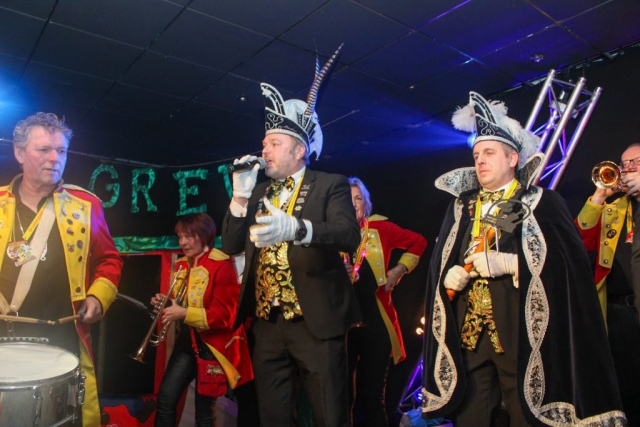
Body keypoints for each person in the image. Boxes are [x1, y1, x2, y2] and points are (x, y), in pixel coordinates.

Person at [421, 92, 626, 426]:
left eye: (489, 153)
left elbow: (569, 266)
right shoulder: (460, 207)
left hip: (521, 336)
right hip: (469, 337)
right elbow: (441, 262)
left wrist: (513, 264)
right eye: (476, 155)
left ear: (513, 158)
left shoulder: (542, 202)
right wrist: (447, 276)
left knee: (527, 418)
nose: (480, 161)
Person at [221, 45, 362, 427]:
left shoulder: (329, 184)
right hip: (268, 324)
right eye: (264, 143)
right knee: (273, 417)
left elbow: (348, 235)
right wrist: (239, 198)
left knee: (330, 415)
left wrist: (299, 229)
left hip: (316, 321)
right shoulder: (257, 192)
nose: (264, 149)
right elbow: (230, 245)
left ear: (299, 150)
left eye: (274, 144)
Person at [0, 112, 122, 426]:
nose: (55, 158)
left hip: (62, 336)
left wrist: (97, 297)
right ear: (19, 153)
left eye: (61, 150)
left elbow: (109, 260)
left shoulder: (86, 205)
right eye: (44, 149)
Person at [153, 212, 253, 426]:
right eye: (180, 237)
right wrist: (166, 302)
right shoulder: (182, 265)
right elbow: (182, 301)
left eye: (188, 236)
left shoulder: (221, 265)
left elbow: (224, 316)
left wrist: (183, 313)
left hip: (213, 346)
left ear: (204, 235)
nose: (183, 242)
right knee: (165, 399)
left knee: (204, 410)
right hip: (187, 342)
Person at [346, 177, 427, 426]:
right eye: (348, 199)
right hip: (341, 326)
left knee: (372, 396)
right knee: (341, 396)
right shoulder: (329, 233)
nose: (353, 204)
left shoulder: (380, 228)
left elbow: (418, 242)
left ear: (366, 204)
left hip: (375, 323)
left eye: (358, 198)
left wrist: (399, 270)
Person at [577, 144, 640, 425]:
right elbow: (580, 239)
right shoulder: (615, 208)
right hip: (620, 314)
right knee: (627, 392)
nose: (627, 169)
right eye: (624, 164)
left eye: (636, 162)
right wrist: (599, 196)